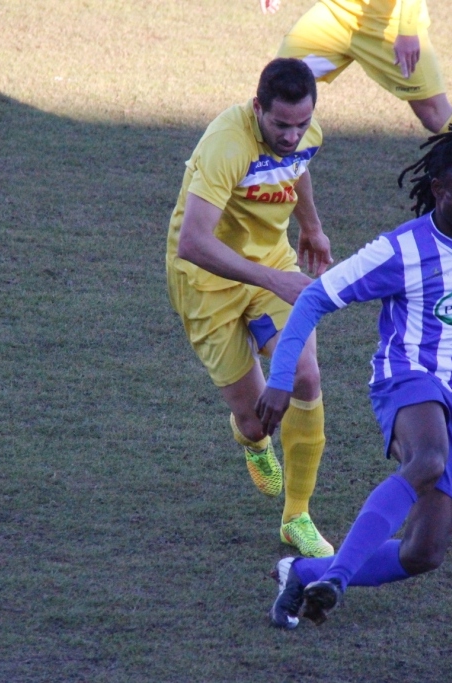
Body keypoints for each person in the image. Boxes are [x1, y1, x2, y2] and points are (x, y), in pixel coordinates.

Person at [257, 125, 452, 628]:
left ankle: (304, 573)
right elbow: (314, 297)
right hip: (407, 379)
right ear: (440, 190)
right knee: (426, 458)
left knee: (424, 552)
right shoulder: (399, 252)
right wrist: (279, 376)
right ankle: (336, 580)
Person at [165, 58, 335, 558]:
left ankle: (296, 516)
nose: (291, 134)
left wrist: (312, 227)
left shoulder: (305, 132)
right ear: (257, 106)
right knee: (259, 419)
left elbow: (296, 167)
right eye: (281, 124)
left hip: (270, 267)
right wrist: (273, 278)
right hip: (205, 283)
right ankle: (253, 441)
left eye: (301, 123)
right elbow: (192, 243)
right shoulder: (227, 144)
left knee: (304, 375)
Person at [259, 0, 452, 246]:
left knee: (436, 115)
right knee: (279, 85)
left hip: (390, 21)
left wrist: (407, 29)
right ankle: (259, 191)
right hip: (337, 12)